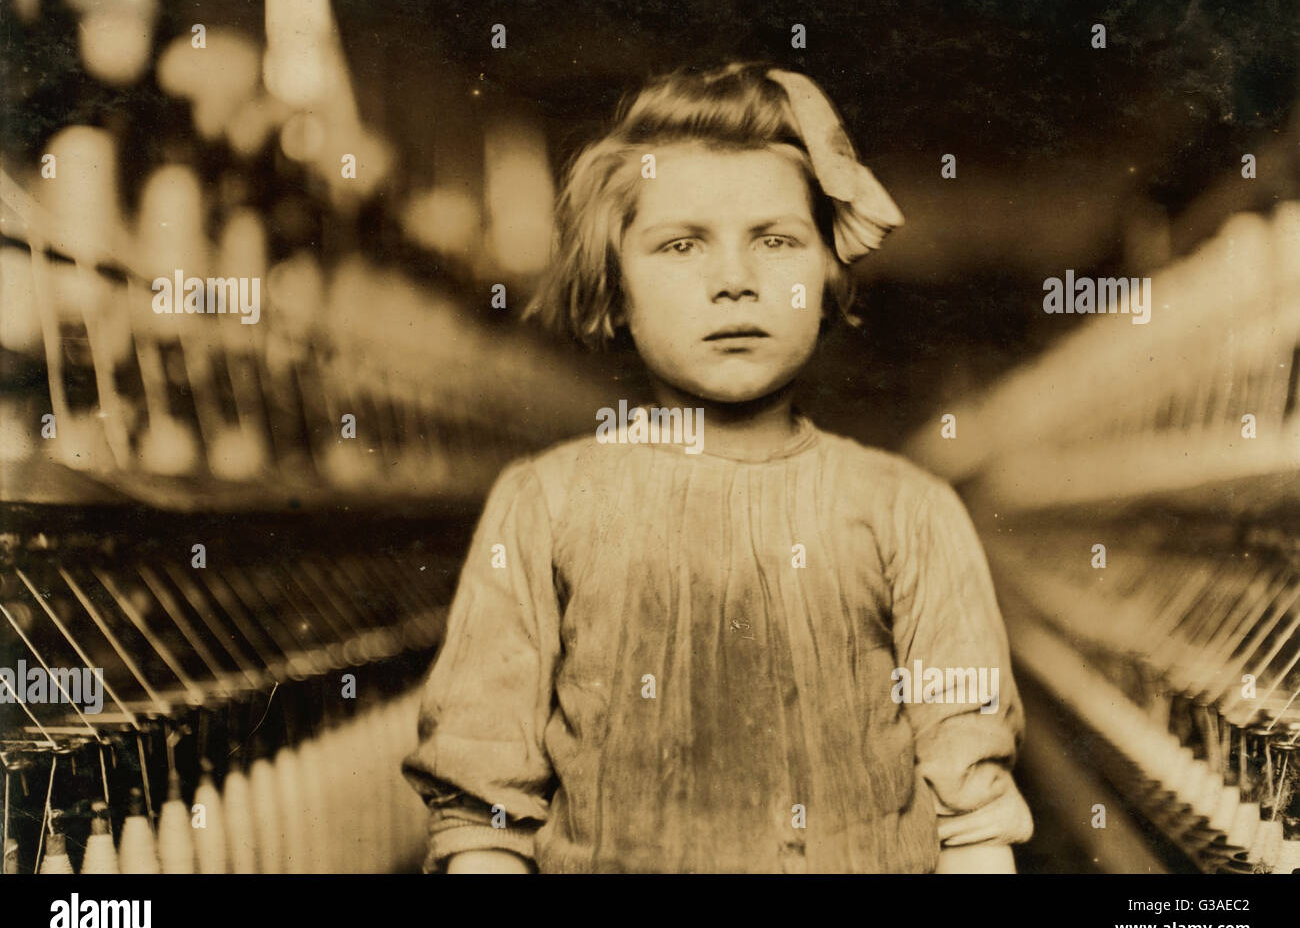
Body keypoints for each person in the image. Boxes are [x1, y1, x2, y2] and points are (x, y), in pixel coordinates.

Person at [401, 61, 1034, 873]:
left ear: (827, 274)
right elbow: (484, 823)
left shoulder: (911, 510)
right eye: (680, 244)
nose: (734, 281)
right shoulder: (544, 504)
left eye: (776, 241)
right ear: (615, 283)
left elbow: (972, 828)